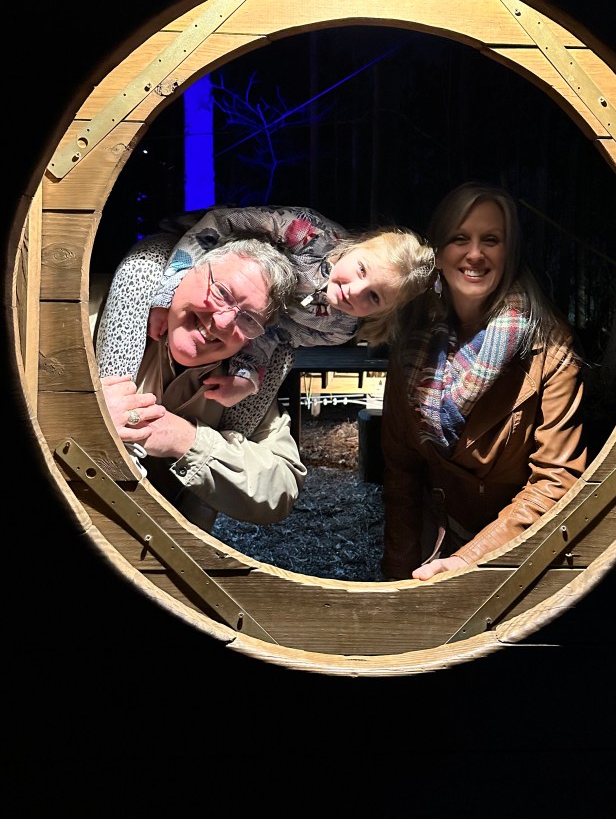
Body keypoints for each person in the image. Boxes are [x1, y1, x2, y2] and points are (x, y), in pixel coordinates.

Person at [381, 181, 588, 581]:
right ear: (438, 254)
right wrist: (396, 580)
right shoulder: (410, 343)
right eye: (460, 238)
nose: (475, 254)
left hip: (519, 550)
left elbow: (557, 477)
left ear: (509, 253)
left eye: (491, 240)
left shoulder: (549, 346)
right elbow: (401, 471)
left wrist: (472, 559)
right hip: (438, 537)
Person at [93, 231, 308, 533]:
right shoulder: (91, 317)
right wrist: (89, 419)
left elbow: (280, 490)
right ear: (182, 273)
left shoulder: (242, 387)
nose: (222, 322)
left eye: (248, 319)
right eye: (221, 292)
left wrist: (185, 439)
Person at [144, 204, 436, 408]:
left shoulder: (338, 330)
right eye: (361, 269)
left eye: (374, 297)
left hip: (234, 320)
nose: (354, 292)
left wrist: (247, 376)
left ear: (383, 312)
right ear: (356, 246)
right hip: (198, 251)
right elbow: (220, 221)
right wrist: (168, 293)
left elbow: (274, 334)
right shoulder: (306, 231)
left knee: (278, 363)